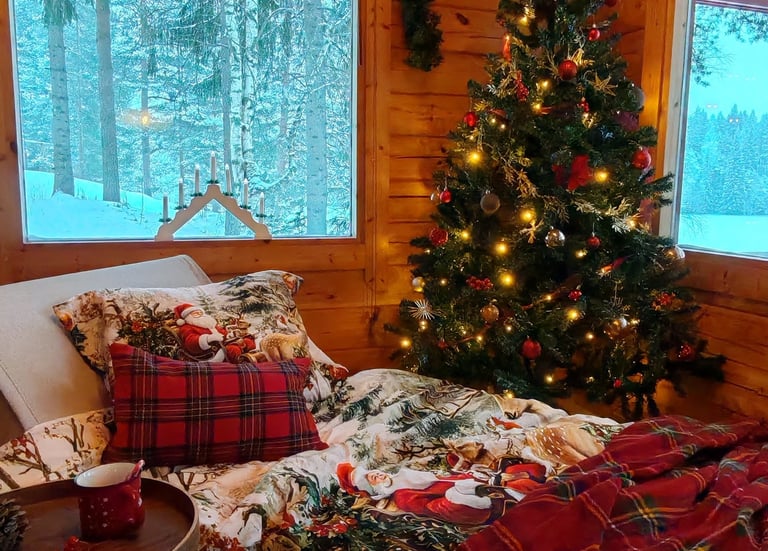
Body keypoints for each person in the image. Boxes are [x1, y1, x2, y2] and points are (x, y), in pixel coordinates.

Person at [336, 463, 496, 525]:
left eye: (376, 473)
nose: (379, 475)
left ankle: (482, 488)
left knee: (465, 481)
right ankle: (484, 500)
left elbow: (436, 480)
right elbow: (432, 508)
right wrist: (454, 493)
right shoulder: (402, 496)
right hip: (461, 505)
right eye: (374, 479)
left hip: (453, 484)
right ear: (376, 490)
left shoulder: (400, 475)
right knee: (458, 492)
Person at [174, 303, 255, 363]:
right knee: (233, 349)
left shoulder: (209, 324)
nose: (200, 315)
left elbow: (222, 332)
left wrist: (228, 335)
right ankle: (241, 363)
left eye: (200, 313)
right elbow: (190, 342)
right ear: (188, 317)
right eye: (196, 314)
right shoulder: (187, 328)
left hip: (222, 344)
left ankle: (252, 356)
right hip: (211, 351)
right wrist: (208, 338)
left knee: (247, 340)